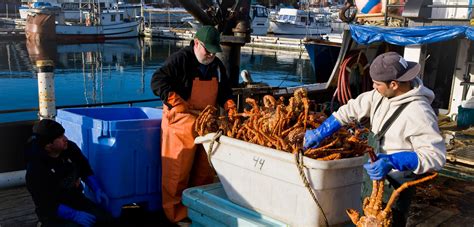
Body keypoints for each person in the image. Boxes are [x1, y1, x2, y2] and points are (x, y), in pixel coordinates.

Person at [304, 52, 446, 226]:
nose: (373, 86)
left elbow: (436, 156)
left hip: (394, 186)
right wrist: (321, 131)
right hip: (371, 181)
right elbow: (350, 110)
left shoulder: (420, 112)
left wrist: (393, 161)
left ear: (393, 84)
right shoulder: (379, 96)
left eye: (377, 84)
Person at [150, 25, 236, 223]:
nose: (211, 55)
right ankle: (176, 214)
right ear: (197, 43)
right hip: (180, 121)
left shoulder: (217, 66)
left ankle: (198, 210)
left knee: (205, 170)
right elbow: (157, 80)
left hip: (206, 121)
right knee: (177, 172)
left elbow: (224, 89)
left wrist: (229, 103)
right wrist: (173, 98)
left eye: (215, 52)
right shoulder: (180, 59)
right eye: (208, 50)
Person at [25, 119, 113, 227]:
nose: (66, 139)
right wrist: (74, 215)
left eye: (63, 135)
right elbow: (46, 204)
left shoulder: (70, 148)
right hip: (54, 210)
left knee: (106, 219)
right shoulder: (36, 168)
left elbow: (85, 169)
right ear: (48, 146)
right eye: (60, 137)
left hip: (76, 199)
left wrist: (97, 189)